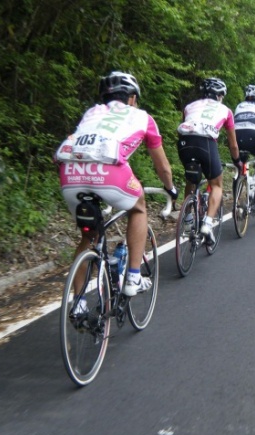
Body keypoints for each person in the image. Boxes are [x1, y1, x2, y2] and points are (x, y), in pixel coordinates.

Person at [56, 71, 177, 297]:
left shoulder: (91, 112)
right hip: (108, 171)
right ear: (131, 98)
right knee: (139, 207)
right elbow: (162, 167)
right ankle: (133, 277)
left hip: (69, 173)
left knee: (89, 237)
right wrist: (170, 187)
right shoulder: (142, 116)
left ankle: (79, 304)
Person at [176, 78, 240, 243]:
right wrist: (237, 160)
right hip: (205, 142)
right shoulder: (225, 110)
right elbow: (233, 145)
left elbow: (185, 126)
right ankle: (207, 224)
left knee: (191, 178)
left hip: (184, 143)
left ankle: (188, 218)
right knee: (217, 184)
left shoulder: (189, 106)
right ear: (219, 95)